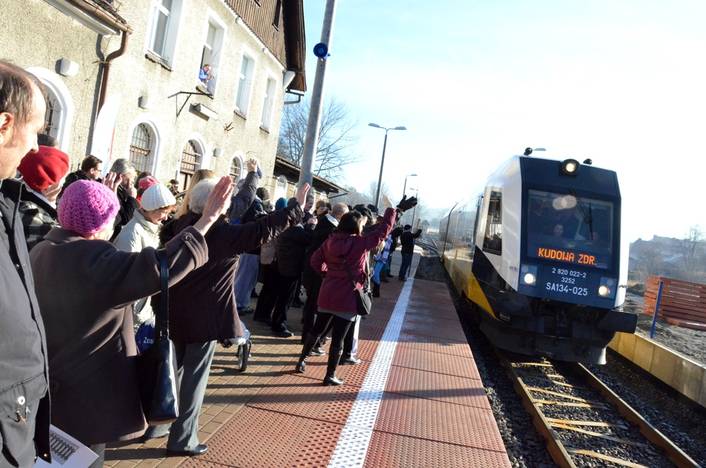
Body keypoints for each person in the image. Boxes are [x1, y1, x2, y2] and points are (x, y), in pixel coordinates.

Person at [154, 179, 310, 456]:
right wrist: (296, 205)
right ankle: (182, 439)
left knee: (169, 369)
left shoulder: (176, 227)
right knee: (194, 379)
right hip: (204, 317)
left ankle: (157, 424)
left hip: (171, 312)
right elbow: (265, 229)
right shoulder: (224, 234)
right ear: (219, 204)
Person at [296, 196, 417, 385]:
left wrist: (327, 274)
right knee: (338, 339)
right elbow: (383, 231)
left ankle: (301, 360)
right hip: (347, 298)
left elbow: (314, 261)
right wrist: (394, 211)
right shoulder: (360, 244)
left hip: (327, 294)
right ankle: (330, 375)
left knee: (317, 330)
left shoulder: (330, 241)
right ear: (355, 227)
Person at [0, 60, 52, 467]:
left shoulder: (9, 203)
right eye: (33, 130)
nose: (36, 147)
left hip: (16, 430)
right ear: (4, 124)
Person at [114, 183, 177, 324]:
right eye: (164, 212)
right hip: (133, 315)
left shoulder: (153, 228)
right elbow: (125, 278)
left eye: (168, 213)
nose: (166, 218)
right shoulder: (132, 234)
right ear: (150, 208)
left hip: (144, 311)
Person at [301, 202, 349, 344]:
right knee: (315, 306)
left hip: (312, 269)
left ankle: (307, 336)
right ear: (340, 215)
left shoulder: (323, 222)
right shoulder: (330, 230)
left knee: (312, 304)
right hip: (318, 272)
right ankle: (309, 338)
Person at [14, 145, 70, 250]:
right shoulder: (34, 214)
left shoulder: (17, 198)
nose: (64, 185)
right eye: (63, 178)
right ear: (49, 186)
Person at [270, 216, 315, 337]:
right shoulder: (295, 230)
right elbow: (309, 238)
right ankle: (278, 324)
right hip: (290, 268)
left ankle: (278, 321)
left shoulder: (288, 229)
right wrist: (311, 226)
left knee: (283, 297)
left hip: (285, 267)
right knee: (285, 298)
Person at [233, 186, 271, 314]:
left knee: (248, 278)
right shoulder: (255, 205)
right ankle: (238, 304)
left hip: (250, 248)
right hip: (250, 249)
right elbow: (255, 224)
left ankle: (243, 303)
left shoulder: (253, 204)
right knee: (245, 278)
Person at [108, 158, 138, 241]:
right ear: (121, 176)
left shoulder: (121, 189)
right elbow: (126, 219)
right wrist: (131, 198)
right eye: (131, 178)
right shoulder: (111, 189)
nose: (132, 182)